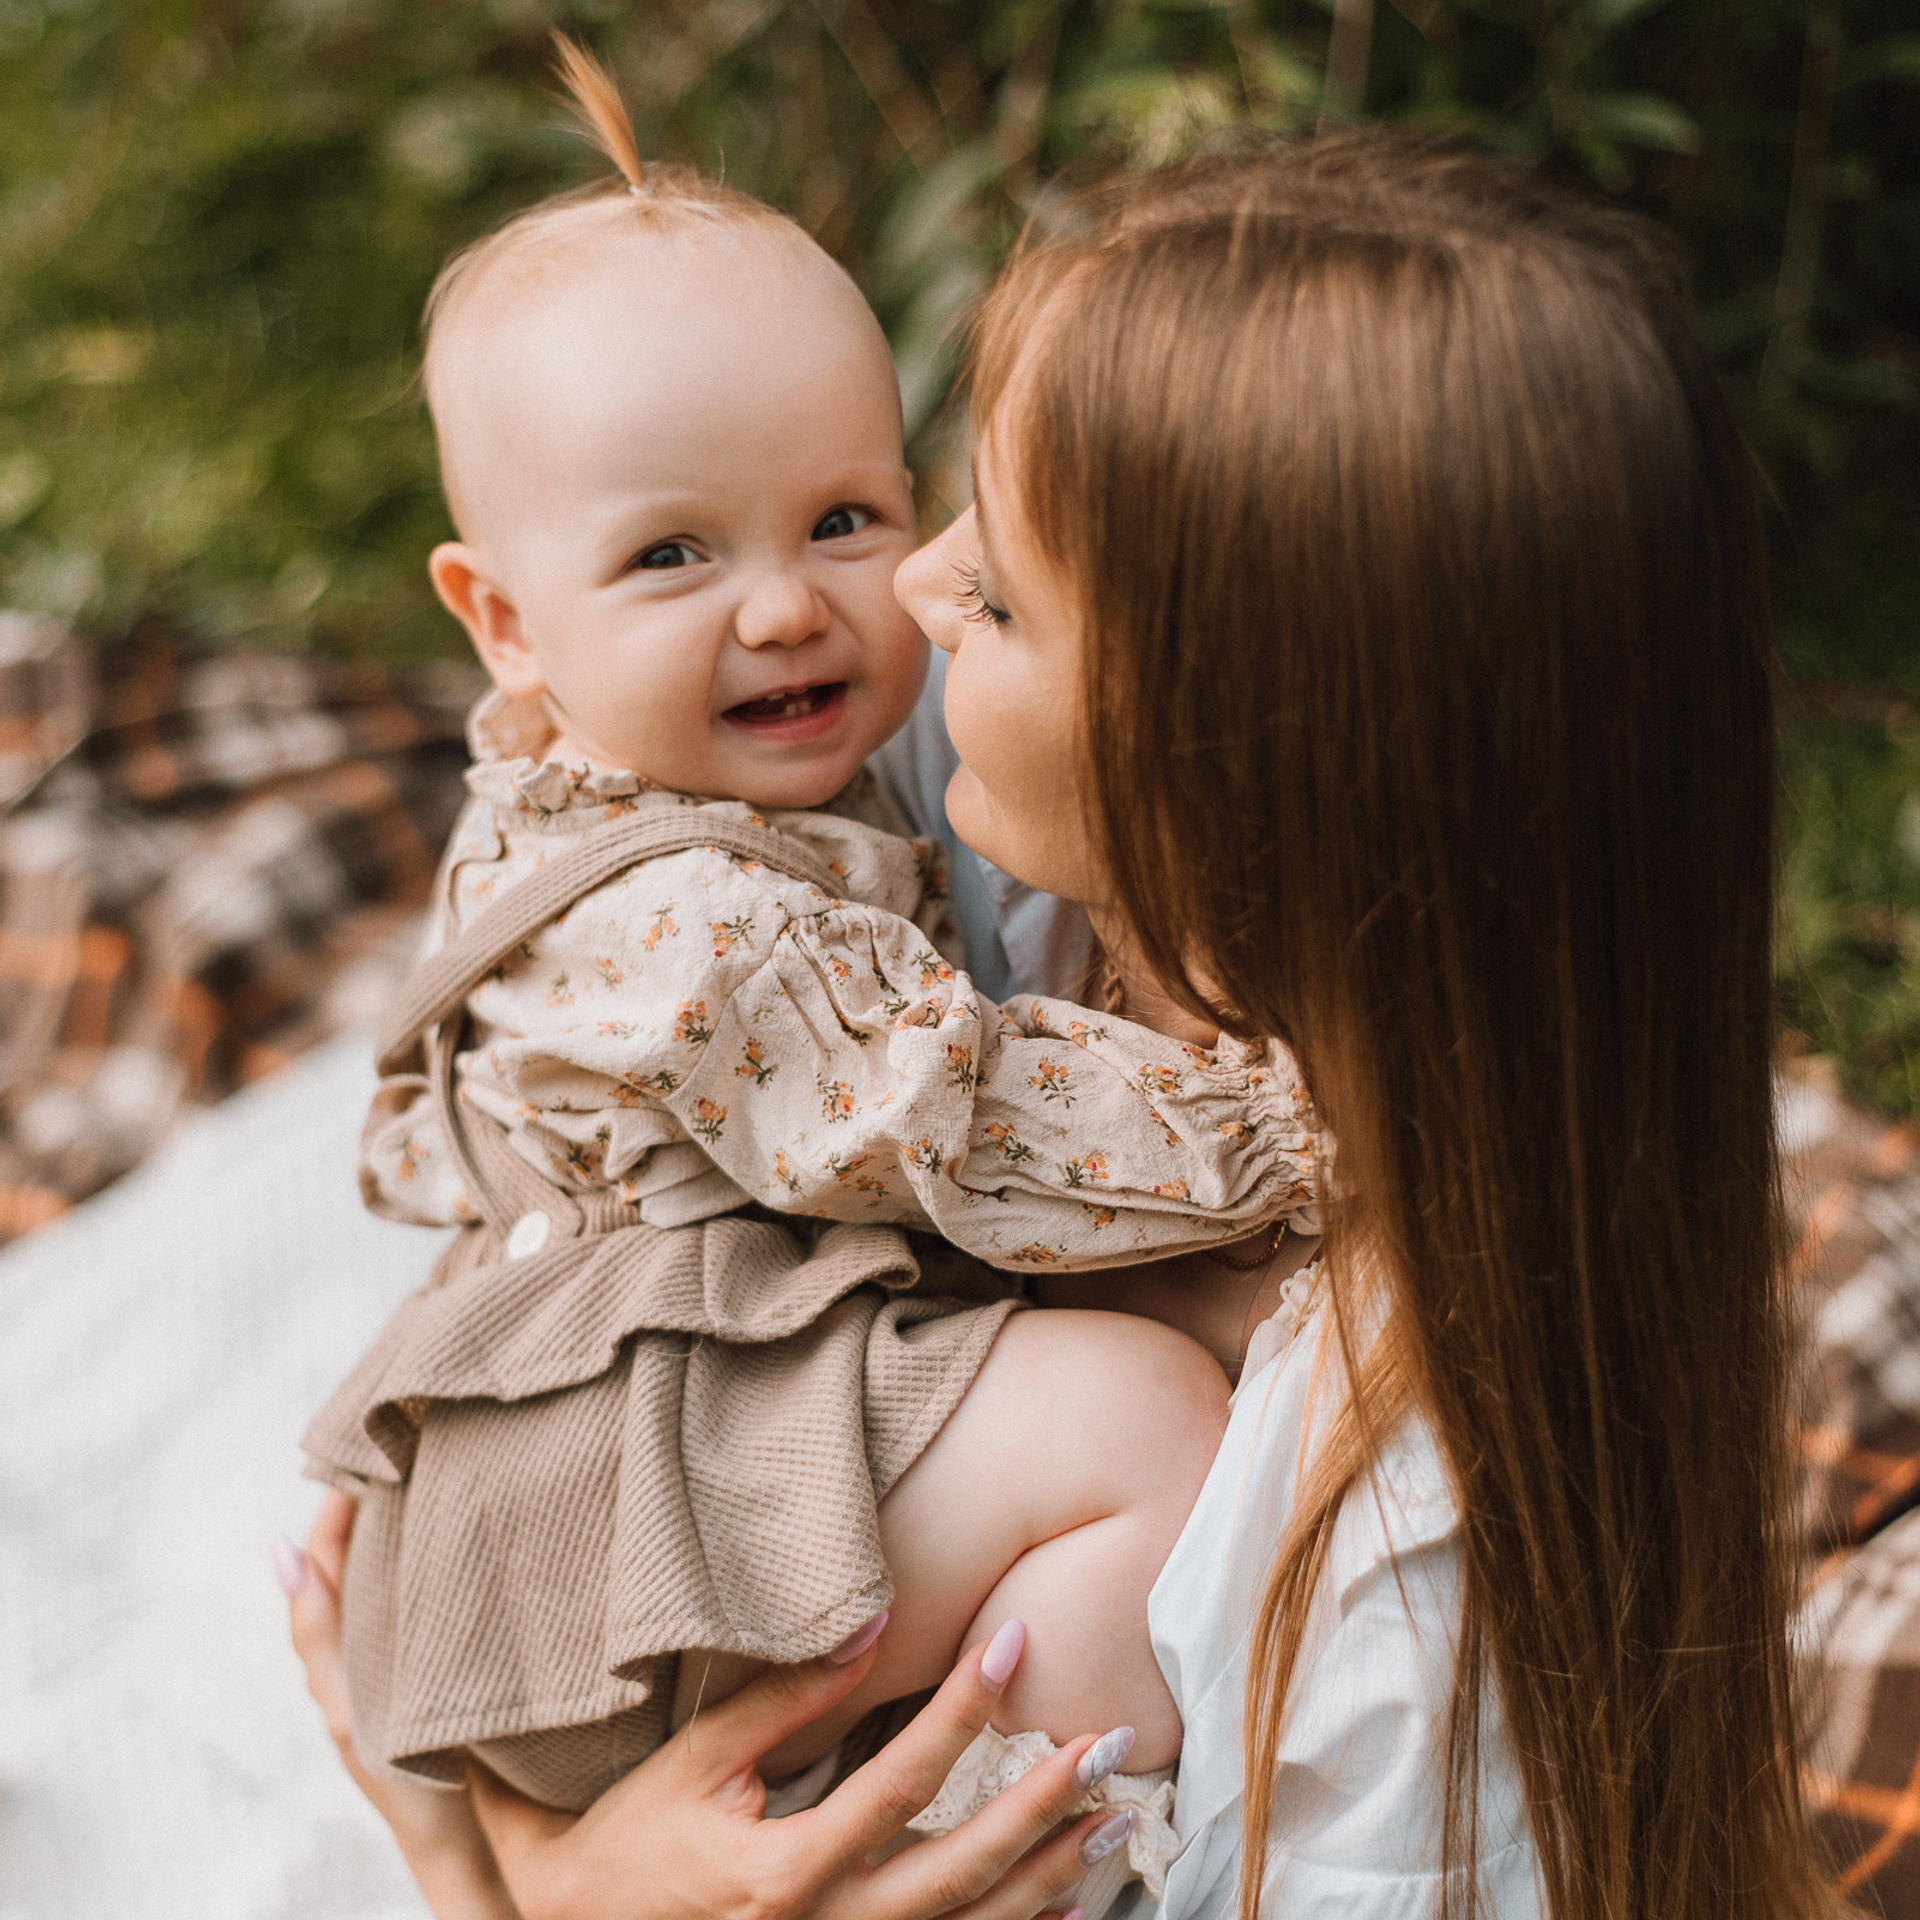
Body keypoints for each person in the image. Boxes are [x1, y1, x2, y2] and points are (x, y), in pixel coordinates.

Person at [289, 132, 1829, 1919]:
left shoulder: (1398, 1557)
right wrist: (531, 1872)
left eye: (985, 583)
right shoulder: (980, 862)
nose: (901, 591)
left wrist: (512, 1885)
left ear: (1224, 748)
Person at [302, 41, 1324, 1911]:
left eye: (844, 519)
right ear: (504, 622)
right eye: (671, 554)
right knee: (1141, 1428)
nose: (787, 606)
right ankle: (955, 1859)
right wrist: (1275, 1139)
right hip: (608, 1524)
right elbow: (944, 1107)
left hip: (674, 1465)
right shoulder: (679, 919)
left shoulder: (733, 779)